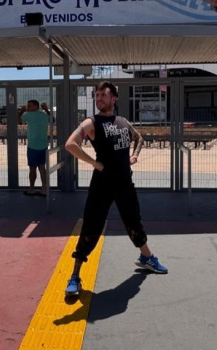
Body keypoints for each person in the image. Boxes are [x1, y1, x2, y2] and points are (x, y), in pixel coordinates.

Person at [63, 81, 168, 297]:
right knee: (91, 227)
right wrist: (95, 163)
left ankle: (147, 258)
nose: (99, 98)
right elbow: (70, 144)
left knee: (134, 222)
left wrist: (135, 155)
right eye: (97, 95)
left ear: (114, 99)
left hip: (124, 183)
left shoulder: (122, 122)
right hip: (102, 185)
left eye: (104, 94)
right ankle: (75, 275)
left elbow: (139, 138)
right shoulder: (91, 122)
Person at [19, 100, 50, 196]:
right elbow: (52, 119)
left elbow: (19, 120)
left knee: (32, 169)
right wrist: (46, 109)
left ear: (36, 106)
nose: (28, 107)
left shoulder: (28, 115)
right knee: (42, 167)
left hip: (32, 146)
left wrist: (22, 110)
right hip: (43, 146)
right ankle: (44, 188)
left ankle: (31, 188)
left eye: (30, 106)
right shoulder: (44, 115)